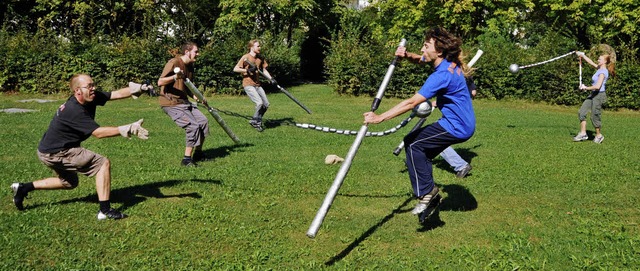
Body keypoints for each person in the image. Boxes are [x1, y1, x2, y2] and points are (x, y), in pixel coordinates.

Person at [363, 27, 475, 221]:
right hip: (458, 123)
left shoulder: (441, 76)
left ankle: (427, 193)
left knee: (414, 145)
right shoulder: (448, 63)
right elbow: (420, 59)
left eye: (426, 46)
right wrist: (406, 55)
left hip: (457, 127)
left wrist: (379, 117)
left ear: (439, 51)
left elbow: (411, 102)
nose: (422, 49)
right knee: (417, 150)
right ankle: (429, 199)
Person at [10, 74, 151, 220]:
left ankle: (23, 188)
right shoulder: (74, 110)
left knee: (69, 182)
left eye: (93, 84)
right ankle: (105, 210)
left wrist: (137, 88)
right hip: (58, 152)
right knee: (102, 163)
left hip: (48, 149)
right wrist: (128, 128)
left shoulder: (89, 97)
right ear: (78, 90)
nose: (93, 88)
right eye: (89, 86)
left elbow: (115, 94)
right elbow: (98, 133)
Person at [157, 41, 209, 166]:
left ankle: (198, 154)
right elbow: (160, 82)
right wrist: (175, 77)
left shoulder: (190, 66)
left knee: (203, 122)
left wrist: (195, 96)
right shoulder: (174, 63)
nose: (198, 54)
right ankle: (186, 159)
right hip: (171, 102)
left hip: (184, 101)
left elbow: (187, 86)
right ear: (187, 52)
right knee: (193, 126)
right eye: (195, 51)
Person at [573, 51, 615, 144]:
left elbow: (597, 86)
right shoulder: (599, 68)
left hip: (599, 95)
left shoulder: (603, 72)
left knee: (594, 116)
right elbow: (591, 62)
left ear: (604, 61)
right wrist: (582, 55)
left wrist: (585, 88)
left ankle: (599, 135)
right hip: (593, 94)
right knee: (582, 112)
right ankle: (583, 133)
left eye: (599, 59)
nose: (597, 60)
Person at [233, 39, 274, 132]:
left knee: (266, 104)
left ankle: (254, 121)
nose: (260, 47)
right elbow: (235, 69)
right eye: (258, 46)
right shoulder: (246, 57)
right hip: (248, 84)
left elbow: (263, 70)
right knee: (259, 103)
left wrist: (271, 79)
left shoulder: (260, 58)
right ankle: (256, 122)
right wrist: (247, 71)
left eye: (259, 46)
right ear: (252, 47)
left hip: (257, 85)